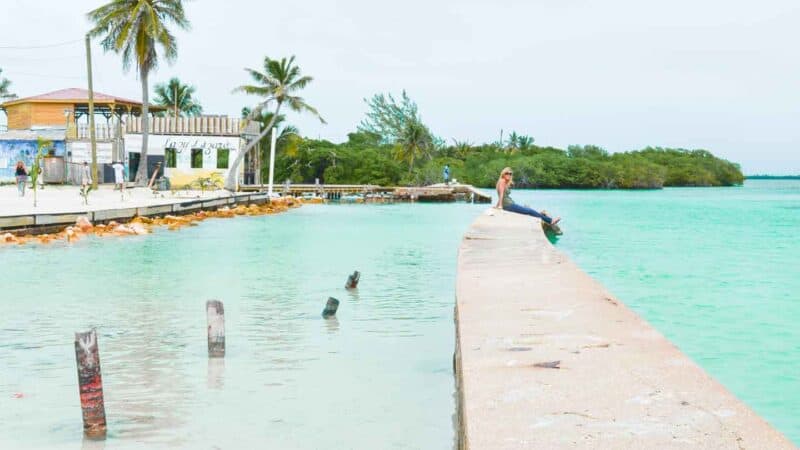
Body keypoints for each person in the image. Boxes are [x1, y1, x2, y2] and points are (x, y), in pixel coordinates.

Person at [495, 167, 561, 225]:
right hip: (508, 205)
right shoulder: (502, 181)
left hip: (509, 204)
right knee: (529, 211)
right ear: (503, 174)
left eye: (510, 174)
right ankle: (550, 220)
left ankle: (541, 215)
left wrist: (497, 205)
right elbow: (501, 194)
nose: (508, 175)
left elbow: (501, 194)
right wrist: (500, 206)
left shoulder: (502, 182)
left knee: (528, 210)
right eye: (507, 173)